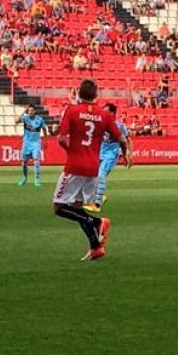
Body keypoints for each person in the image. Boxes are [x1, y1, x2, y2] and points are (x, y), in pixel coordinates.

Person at [53, 79, 126, 261]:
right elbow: (122, 139)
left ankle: (97, 222)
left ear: (79, 93)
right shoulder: (105, 115)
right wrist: (127, 156)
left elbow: (61, 138)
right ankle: (95, 247)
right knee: (77, 207)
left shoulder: (72, 111)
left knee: (59, 207)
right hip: (93, 167)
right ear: (96, 95)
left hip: (74, 166)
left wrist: (73, 151)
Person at [86, 102, 132, 212]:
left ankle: (96, 205)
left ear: (112, 113)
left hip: (111, 154)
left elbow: (127, 139)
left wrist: (127, 154)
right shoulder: (100, 124)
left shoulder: (119, 126)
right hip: (99, 153)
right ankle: (100, 196)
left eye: (105, 111)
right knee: (93, 177)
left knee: (101, 175)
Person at [17, 105, 47, 187]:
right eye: (29, 110)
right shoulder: (25, 118)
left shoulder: (39, 119)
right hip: (26, 143)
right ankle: (24, 178)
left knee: (36, 160)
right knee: (24, 162)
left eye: (32, 110)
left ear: (35, 111)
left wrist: (45, 140)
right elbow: (16, 121)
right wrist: (23, 112)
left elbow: (44, 129)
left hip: (36, 143)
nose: (31, 111)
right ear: (28, 111)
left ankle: (37, 179)